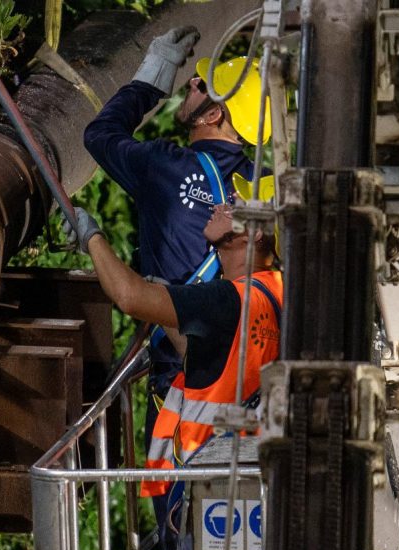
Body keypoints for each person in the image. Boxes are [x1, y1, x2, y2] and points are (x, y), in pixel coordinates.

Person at [66, 199, 282, 550]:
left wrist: (92, 237)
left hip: (209, 501)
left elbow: (126, 296)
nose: (221, 205)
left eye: (235, 207)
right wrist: (172, 310)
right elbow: (217, 357)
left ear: (248, 238)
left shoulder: (227, 300)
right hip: (239, 494)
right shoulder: (272, 292)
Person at [83, 26, 271, 463]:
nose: (192, 82)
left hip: (181, 387)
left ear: (212, 116)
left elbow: (99, 134)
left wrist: (152, 78)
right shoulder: (258, 188)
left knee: (179, 507)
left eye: (202, 86)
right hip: (243, 387)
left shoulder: (165, 167)